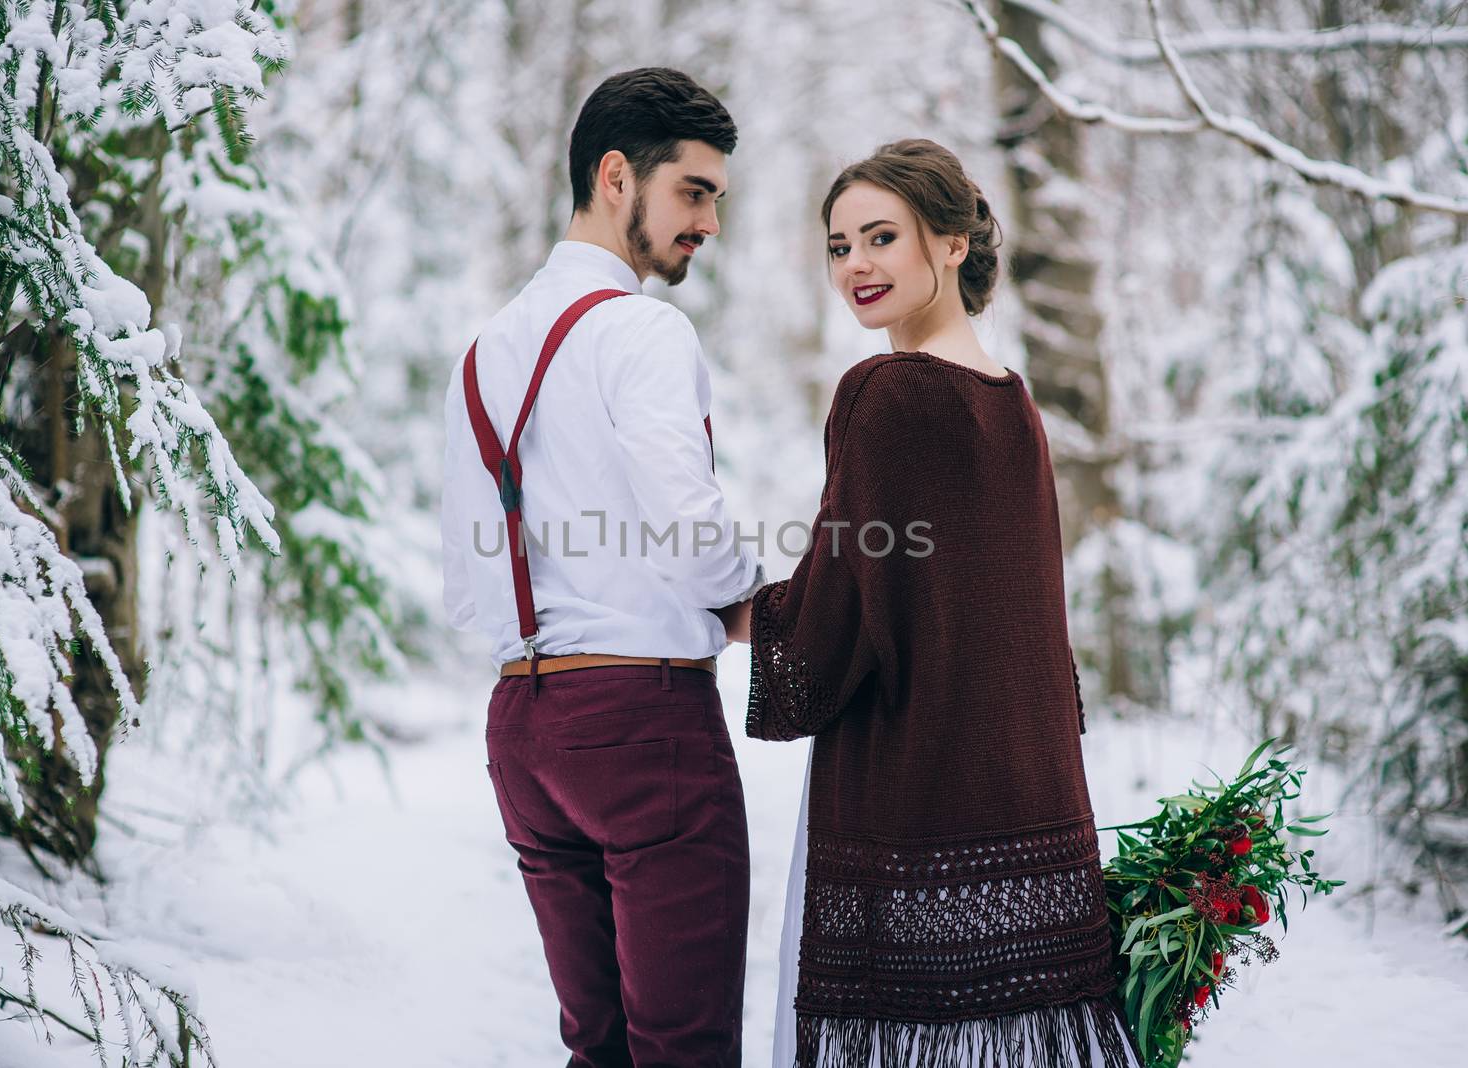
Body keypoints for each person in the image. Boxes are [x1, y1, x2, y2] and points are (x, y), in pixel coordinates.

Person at [714, 139, 1143, 1068]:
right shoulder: (1012, 401)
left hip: (914, 800)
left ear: (951, 243)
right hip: (1027, 799)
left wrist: (730, 614)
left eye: (880, 238)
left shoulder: (885, 392)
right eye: (838, 247)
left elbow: (842, 610)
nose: (855, 266)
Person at [440, 68, 764, 1067]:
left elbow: (466, 584)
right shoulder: (641, 328)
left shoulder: (484, 348)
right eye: (694, 192)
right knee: (683, 1049)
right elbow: (689, 523)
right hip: (644, 731)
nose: (707, 222)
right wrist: (758, 602)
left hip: (523, 730)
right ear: (616, 175)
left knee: (600, 1049)